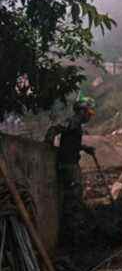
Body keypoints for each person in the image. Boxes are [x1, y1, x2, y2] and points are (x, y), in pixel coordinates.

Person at [45, 95, 97, 244]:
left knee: (72, 195)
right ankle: (73, 232)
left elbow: (70, 141)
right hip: (68, 164)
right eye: (89, 112)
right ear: (82, 111)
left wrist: (84, 148)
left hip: (69, 162)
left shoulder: (77, 124)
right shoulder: (73, 121)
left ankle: (73, 229)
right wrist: (48, 144)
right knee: (74, 197)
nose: (90, 116)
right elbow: (55, 128)